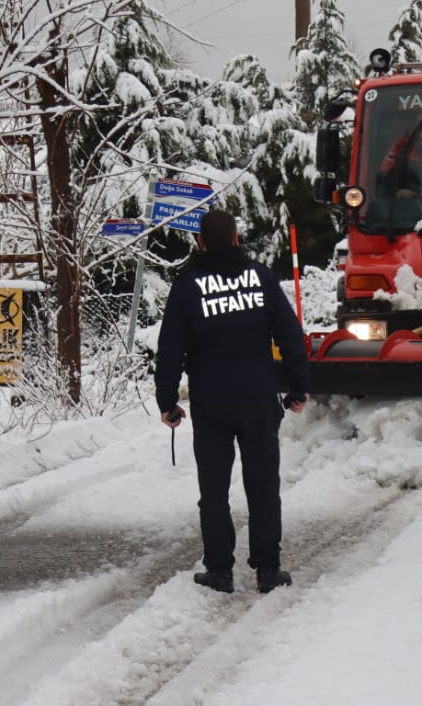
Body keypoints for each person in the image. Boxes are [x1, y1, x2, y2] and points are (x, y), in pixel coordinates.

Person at [156, 209, 310, 594]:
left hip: (211, 403)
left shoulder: (188, 285)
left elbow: (171, 347)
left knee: (213, 489)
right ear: (237, 239)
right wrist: (298, 386)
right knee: (262, 486)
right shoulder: (260, 278)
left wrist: (167, 401)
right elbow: (291, 335)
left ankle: (220, 571)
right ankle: (268, 570)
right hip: (258, 399)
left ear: (201, 242)